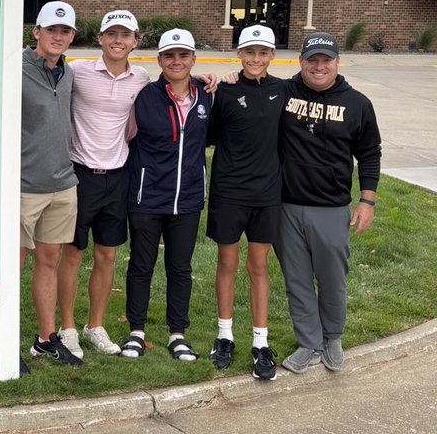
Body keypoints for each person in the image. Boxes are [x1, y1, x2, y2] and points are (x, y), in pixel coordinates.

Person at [275, 32, 381, 373]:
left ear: (337, 62)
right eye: (312, 60)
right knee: (297, 279)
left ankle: (332, 336)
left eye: (326, 60)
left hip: (331, 207)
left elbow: (369, 154)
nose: (319, 66)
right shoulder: (283, 93)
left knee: (332, 277)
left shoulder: (357, 103)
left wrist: (367, 200)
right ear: (301, 62)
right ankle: (308, 341)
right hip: (286, 205)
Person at [54, 10, 149, 358]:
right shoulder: (78, 70)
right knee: (73, 254)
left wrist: (209, 79)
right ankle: (67, 329)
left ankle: (95, 326)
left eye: (125, 35)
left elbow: (177, 84)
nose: (118, 41)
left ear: (136, 41)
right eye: (112, 34)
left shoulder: (140, 78)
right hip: (79, 176)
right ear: (100, 38)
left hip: (118, 177)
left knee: (107, 255)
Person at [120, 29, 213, 362]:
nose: (177, 62)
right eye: (170, 56)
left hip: (187, 199)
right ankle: (136, 332)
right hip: (147, 197)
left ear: (193, 59)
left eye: (183, 55)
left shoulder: (207, 95)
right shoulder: (144, 96)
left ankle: (178, 334)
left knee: (180, 269)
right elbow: (127, 136)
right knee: (141, 266)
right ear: (159, 60)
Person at [206, 24, 284, 380]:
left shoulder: (283, 90)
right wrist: (212, 82)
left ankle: (260, 343)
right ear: (239, 53)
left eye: (263, 52)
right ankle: (224, 337)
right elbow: (209, 136)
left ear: (272, 55)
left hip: (267, 194)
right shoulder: (223, 91)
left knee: (258, 266)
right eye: (249, 52)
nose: (256, 58)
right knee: (228, 263)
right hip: (229, 191)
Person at [20, 1, 83, 367]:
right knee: (16, 262)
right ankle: (6, 340)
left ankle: (45, 339)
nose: (59, 37)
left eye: (66, 31)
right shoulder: (15, 67)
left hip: (63, 183)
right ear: (36, 32)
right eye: (52, 30)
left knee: (49, 260)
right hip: (23, 185)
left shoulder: (69, 73)